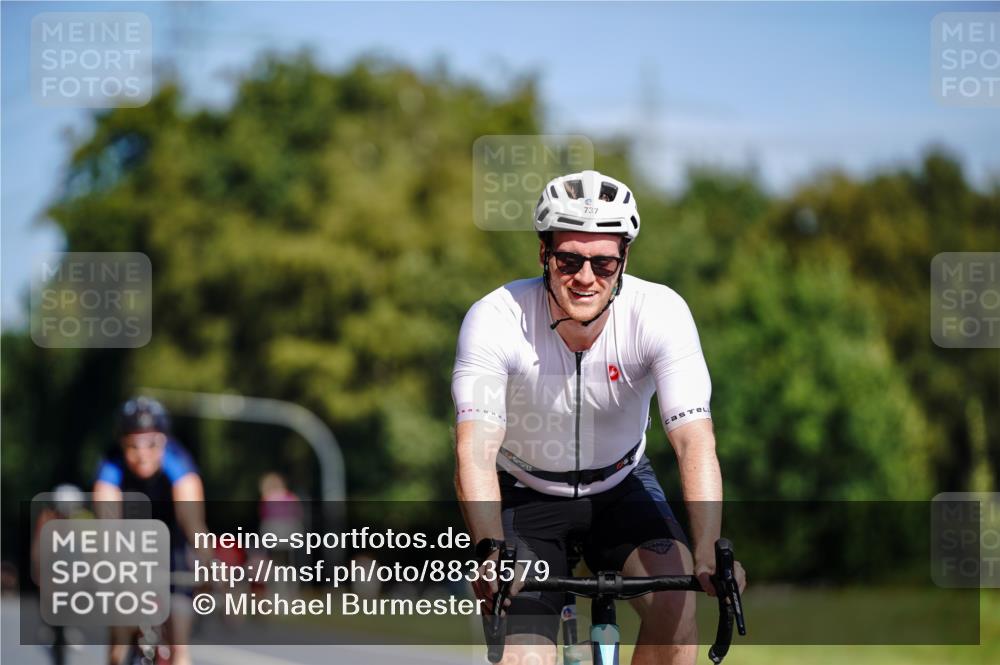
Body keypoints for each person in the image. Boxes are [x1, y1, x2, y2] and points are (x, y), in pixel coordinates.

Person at [452, 170, 747, 665]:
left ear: (623, 260)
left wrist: (706, 551)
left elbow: (695, 443)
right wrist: (489, 550)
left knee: (677, 614)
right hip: (526, 496)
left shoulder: (661, 313)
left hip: (622, 486)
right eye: (569, 260)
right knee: (525, 658)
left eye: (603, 263)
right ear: (543, 254)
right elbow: (474, 451)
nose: (585, 278)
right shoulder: (496, 318)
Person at [93, 396, 207, 665]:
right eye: (132, 445)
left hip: (172, 546)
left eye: (151, 443)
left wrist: (208, 563)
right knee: (121, 628)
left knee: (179, 637)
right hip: (129, 542)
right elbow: (107, 526)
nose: (142, 453)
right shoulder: (111, 465)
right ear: (122, 444)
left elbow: (193, 525)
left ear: (164, 441)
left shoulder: (179, 463)